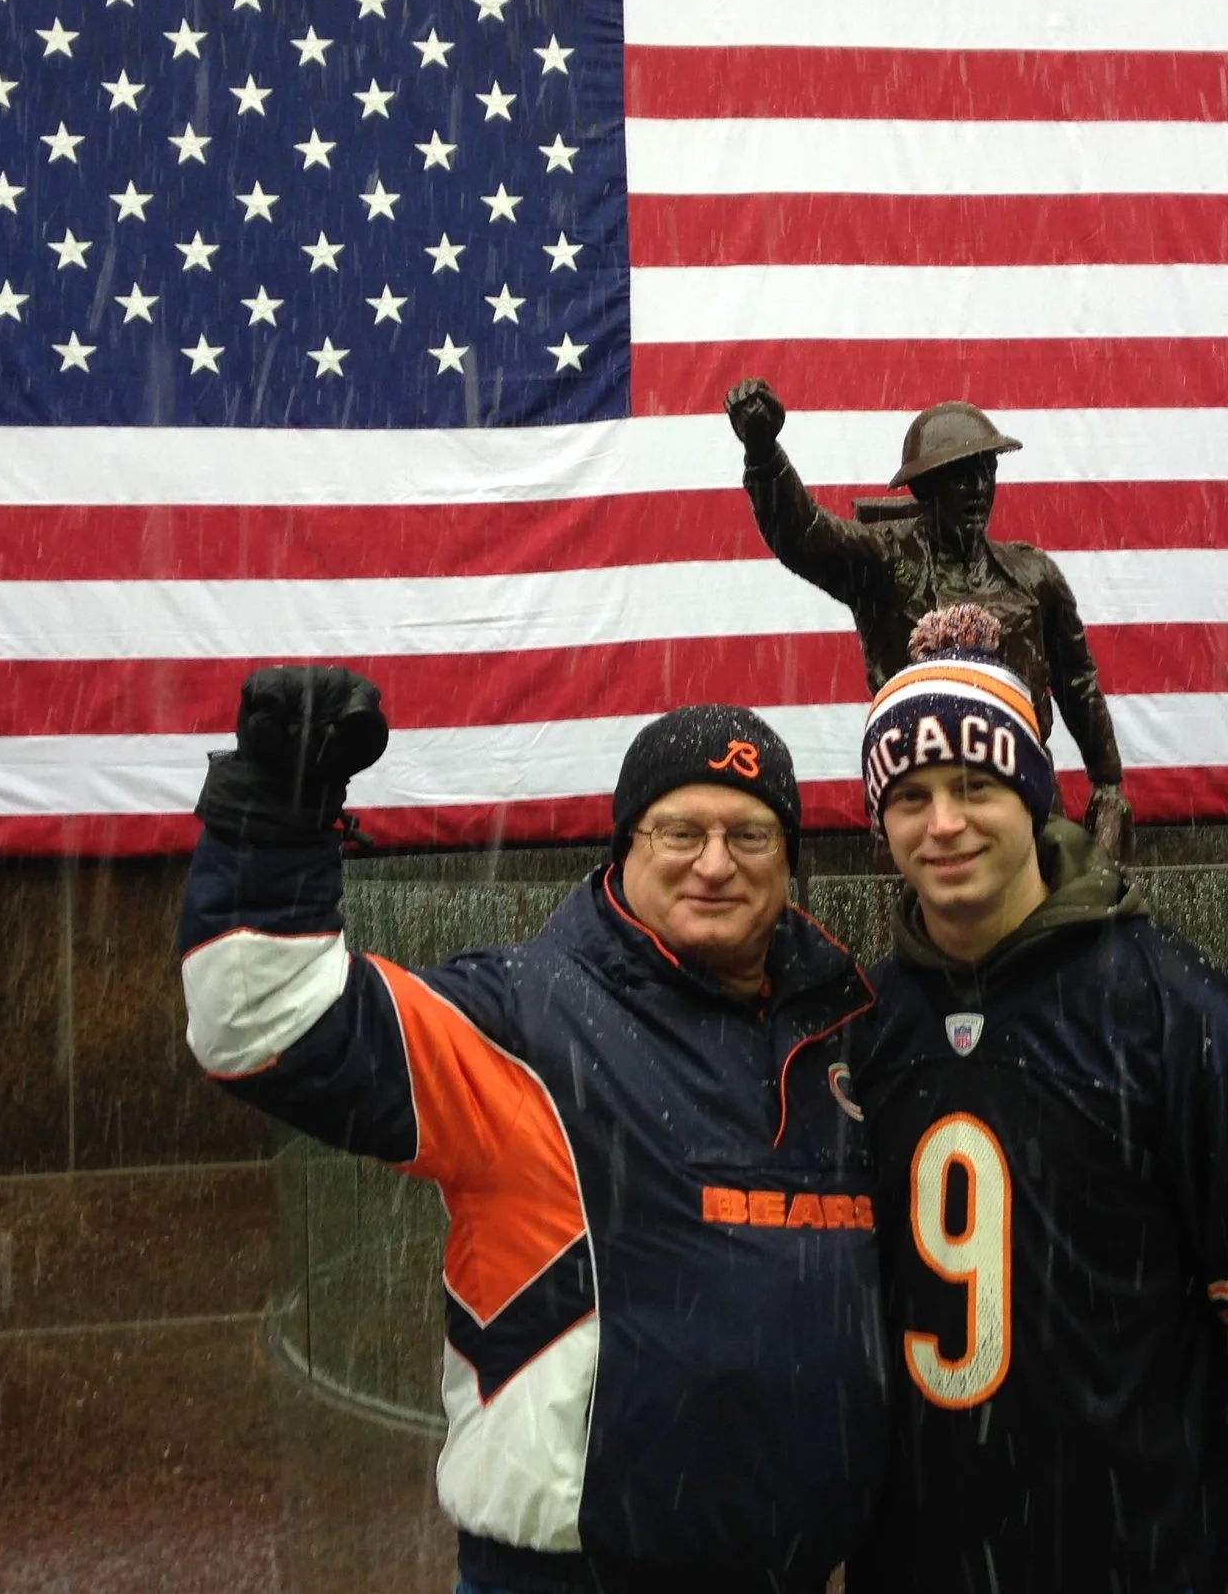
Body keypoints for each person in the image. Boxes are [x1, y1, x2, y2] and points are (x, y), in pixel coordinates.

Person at [177, 667, 884, 1594]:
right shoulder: (520, 1019)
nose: (716, 862)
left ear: (789, 860)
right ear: (624, 846)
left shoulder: (850, 1034)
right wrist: (271, 817)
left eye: (750, 833)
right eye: (680, 830)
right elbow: (262, 1024)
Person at [844, 608, 1228, 1594]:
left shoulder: (1176, 1013)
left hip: (1133, 1558)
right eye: (909, 795)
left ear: (1036, 792)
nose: (943, 823)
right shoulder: (864, 1030)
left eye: (975, 785)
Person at [723, 377, 1133, 861]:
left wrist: (1107, 781)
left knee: (1042, 925)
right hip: (914, 798)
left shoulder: (1033, 574)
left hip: (1023, 792)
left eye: (986, 472)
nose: (979, 489)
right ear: (924, 487)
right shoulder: (884, 563)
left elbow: (1075, 680)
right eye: (962, 477)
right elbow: (803, 533)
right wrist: (764, 452)